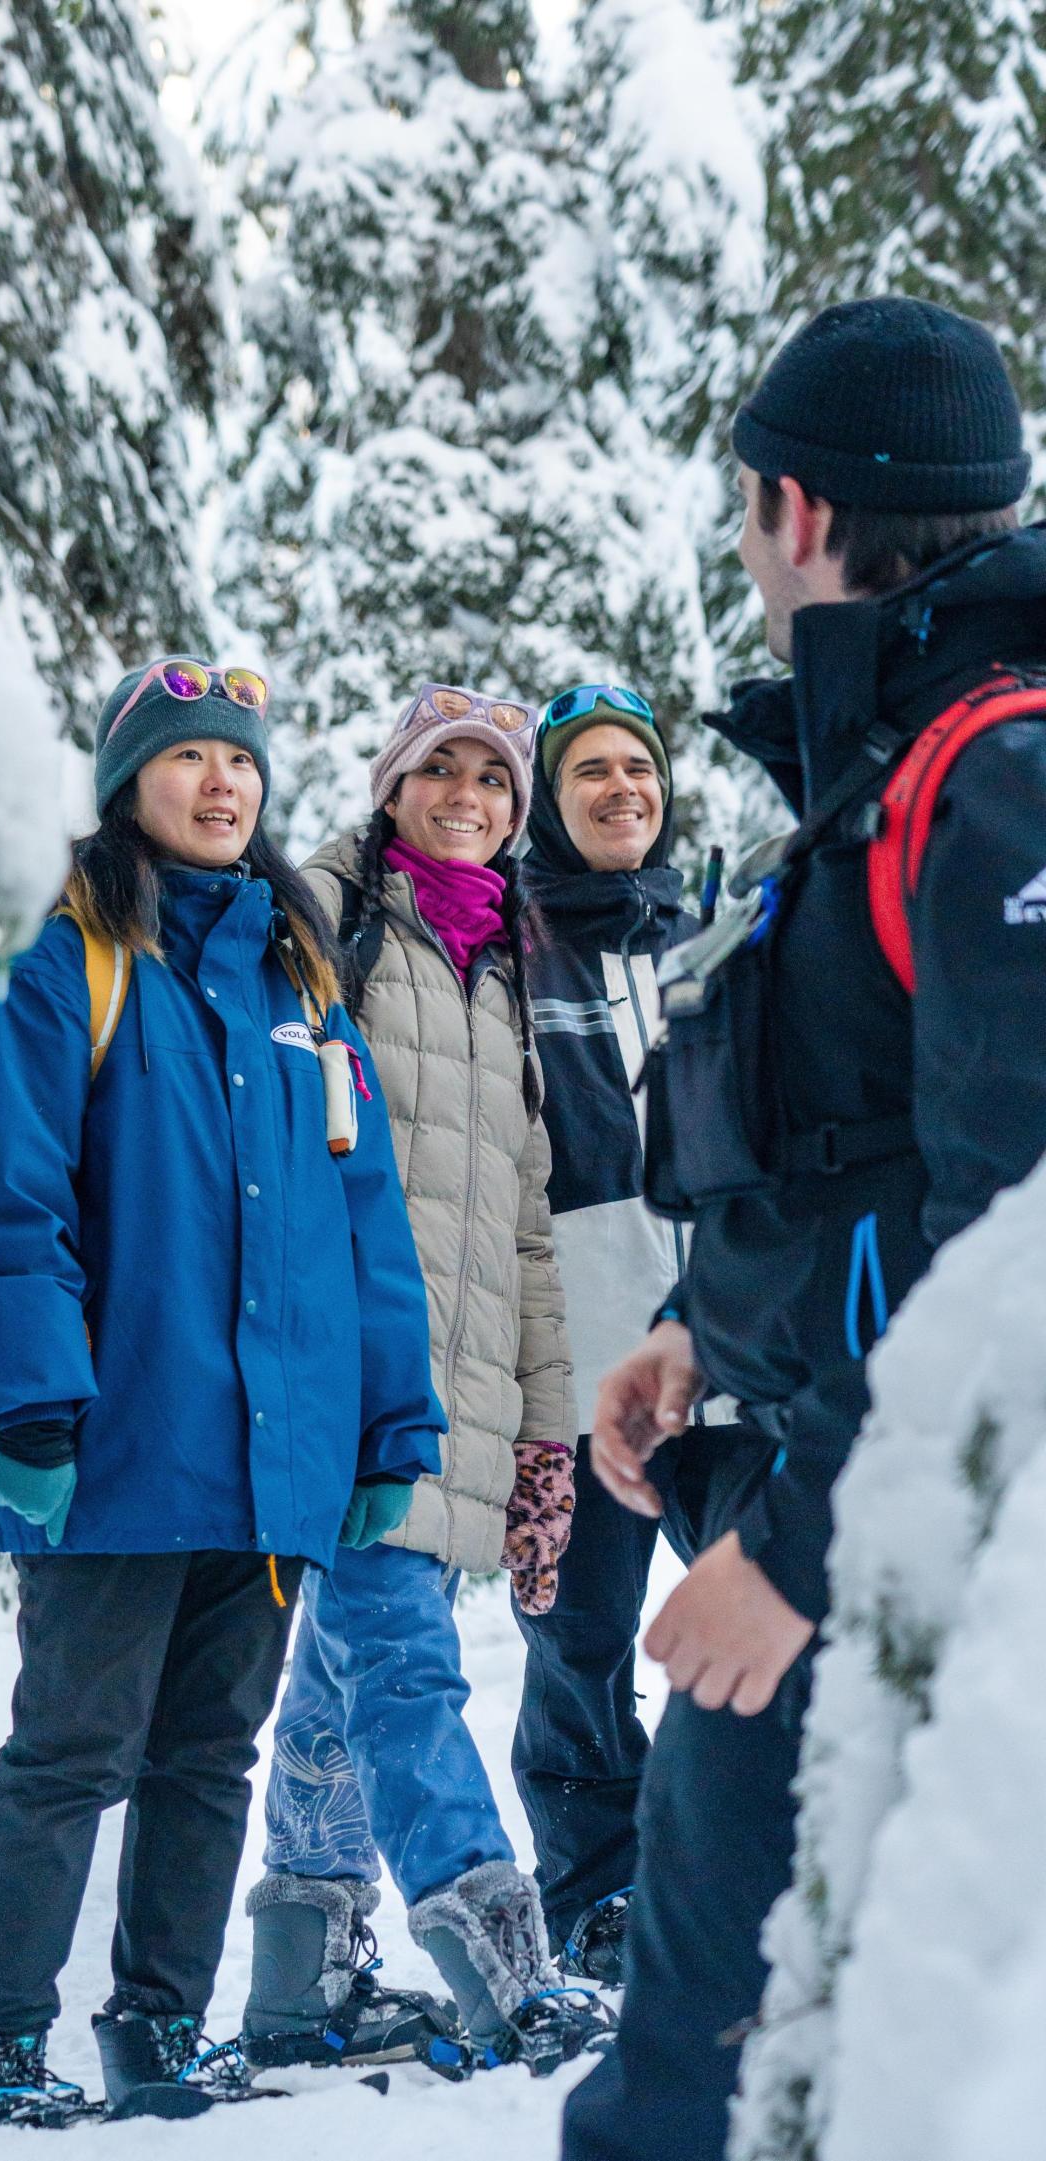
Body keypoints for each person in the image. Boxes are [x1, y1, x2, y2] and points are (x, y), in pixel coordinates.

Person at [562, 297, 1046, 2161]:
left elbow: (1020, 1233)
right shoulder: (884, 770)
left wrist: (799, 1543)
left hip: (901, 1561)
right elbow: (864, 1154)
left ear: (794, 506)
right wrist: (703, 1328)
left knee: (704, 2076)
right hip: (819, 1506)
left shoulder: (994, 776)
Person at [0, 657, 445, 2129]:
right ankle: (1, 2036)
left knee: (206, 1754)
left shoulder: (302, 983)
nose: (223, 783)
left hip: (276, 1458)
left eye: (241, 761)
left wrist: (390, 1421)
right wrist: (33, 1403)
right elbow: (10, 1191)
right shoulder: (66, 960)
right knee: (70, 1751)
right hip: (122, 1442)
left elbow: (372, 1229)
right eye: (189, 759)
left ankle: (160, 2022)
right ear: (126, 787)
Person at [238, 684, 596, 2080]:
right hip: (341, 1376)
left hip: (465, 1397)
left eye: (496, 780)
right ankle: (511, 1967)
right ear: (391, 785)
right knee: (402, 1661)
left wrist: (546, 1433)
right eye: (441, 769)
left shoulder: (506, 963)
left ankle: (300, 1980)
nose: (471, 796)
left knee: (343, 1679)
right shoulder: (324, 918)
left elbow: (522, 1221)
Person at [511, 683, 734, 1983]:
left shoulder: (706, 934)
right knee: (581, 1643)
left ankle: (748, 1855)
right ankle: (599, 1890)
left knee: (764, 1601)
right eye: (589, 771)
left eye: (636, 771)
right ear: (551, 795)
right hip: (574, 1352)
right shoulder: (504, 944)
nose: (619, 792)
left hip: (716, 1349)